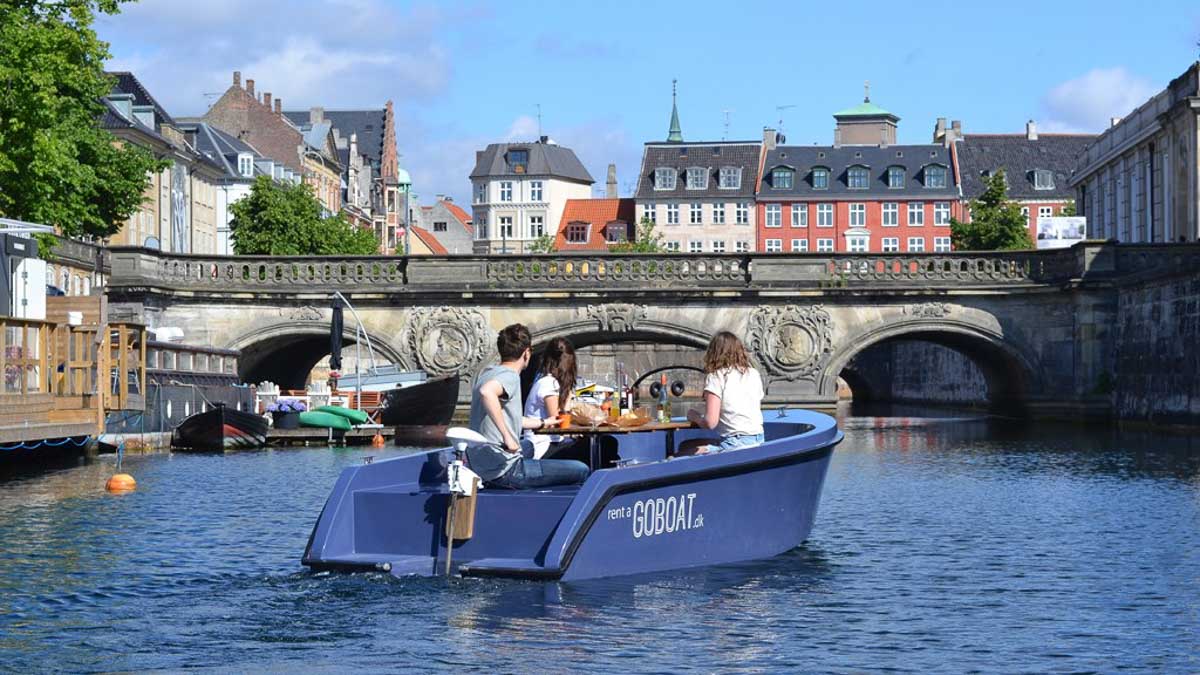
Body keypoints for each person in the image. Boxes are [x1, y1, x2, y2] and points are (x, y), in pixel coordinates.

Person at [467, 324, 590, 489]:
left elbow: (513, 418)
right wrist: (507, 437)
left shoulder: (487, 373)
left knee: (530, 446)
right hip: (505, 471)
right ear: (527, 353)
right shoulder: (510, 376)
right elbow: (486, 392)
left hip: (480, 464)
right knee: (582, 469)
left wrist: (543, 423)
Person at [679, 331, 765, 455]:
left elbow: (710, 423)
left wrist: (694, 416)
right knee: (686, 445)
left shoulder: (716, 376)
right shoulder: (753, 374)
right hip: (758, 439)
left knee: (680, 453)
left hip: (734, 444)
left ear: (713, 353)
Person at [522, 337, 581, 459]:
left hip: (550, 442)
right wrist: (568, 400)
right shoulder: (549, 384)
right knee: (606, 444)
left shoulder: (544, 381)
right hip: (542, 446)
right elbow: (557, 422)